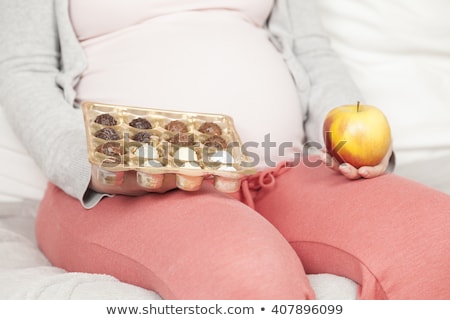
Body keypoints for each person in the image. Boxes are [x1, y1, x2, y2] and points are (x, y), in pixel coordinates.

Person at [0, 0, 448, 299]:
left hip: (285, 169)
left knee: (437, 236)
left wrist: (351, 146)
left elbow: (313, 51)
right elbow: (24, 69)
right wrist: (97, 164)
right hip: (126, 186)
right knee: (246, 271)